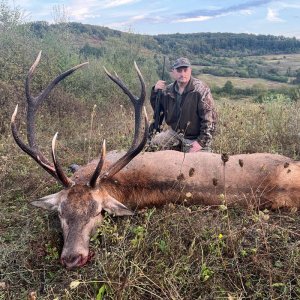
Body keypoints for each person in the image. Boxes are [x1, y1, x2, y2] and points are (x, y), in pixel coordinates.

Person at [149, 57, 217, 152]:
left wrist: (200, 143)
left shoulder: (201, 90)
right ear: (173, 72)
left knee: (196, 164)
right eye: (179, 70)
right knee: (154, 144)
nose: (183, 74)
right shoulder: (168, 91)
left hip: (195, 138)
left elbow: (210, 121)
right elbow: (157, 110)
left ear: (190, 71)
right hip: (174, 134)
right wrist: (155, 91)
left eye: (185, 70)